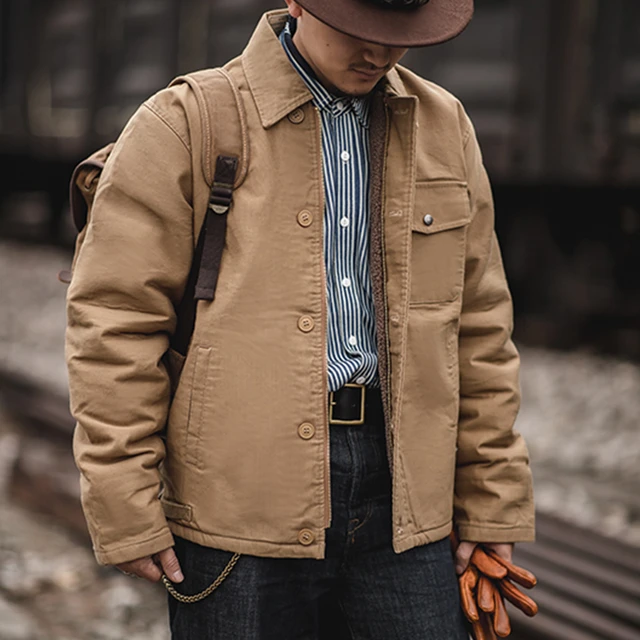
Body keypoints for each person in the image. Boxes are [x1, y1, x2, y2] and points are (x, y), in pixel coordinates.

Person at [66, 1, 535, 638]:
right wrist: (124, 503)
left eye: (398, 38)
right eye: (359, 32)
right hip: (238, 498)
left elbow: (479, 329)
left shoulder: (444, 126)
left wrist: (492, 504)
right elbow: (115, 322)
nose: (380, 53)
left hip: (409, 500)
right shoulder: (189, 121)